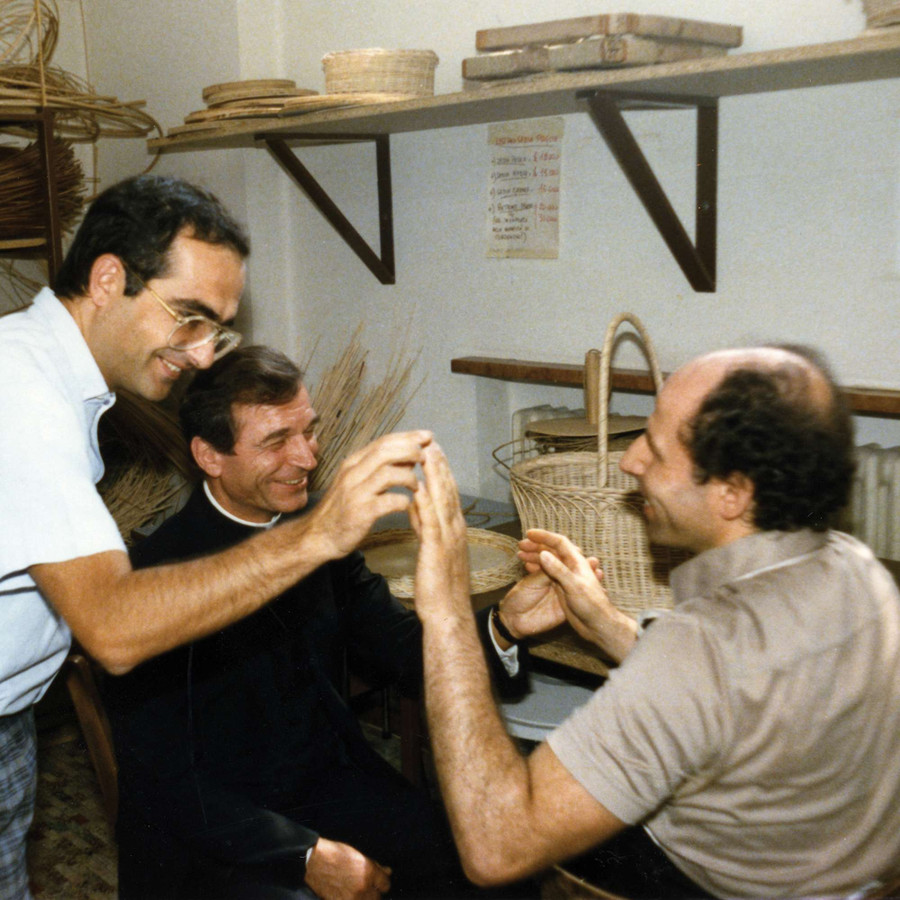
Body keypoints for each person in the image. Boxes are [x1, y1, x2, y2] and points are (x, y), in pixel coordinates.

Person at [0, 175, 433, 900]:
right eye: (189, 318)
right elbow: (113, 625)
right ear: (109, 279)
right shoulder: (23, 395)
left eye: (217, 329)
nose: (203, 355)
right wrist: (318, 533)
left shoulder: (49, 380)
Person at [410, 345, 900, 899]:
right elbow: (739, 691)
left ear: (733, 492)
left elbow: (495, 848)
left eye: (657, 450)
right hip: (841, 876)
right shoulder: (860, 570)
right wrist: (605, 625)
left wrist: (447, 609)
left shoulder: (696, 650)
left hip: (698, 887)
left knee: (456, 821)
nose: (630, 460)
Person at [105, 344, 543, 900]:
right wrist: (305, 854)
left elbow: (406, 651)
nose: (309, 458)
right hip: (212, 833)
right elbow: (165, 784)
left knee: (497, 861)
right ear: (209, 456)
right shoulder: (152, 579)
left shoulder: (320, 529)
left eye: (307, 431)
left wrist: (506, 625)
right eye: (275, 442)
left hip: (328, 787)